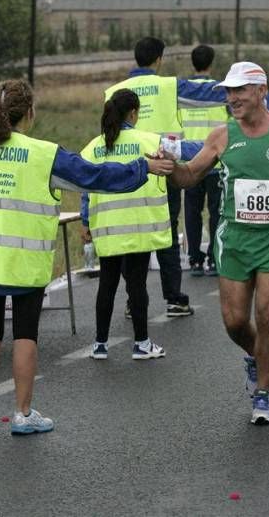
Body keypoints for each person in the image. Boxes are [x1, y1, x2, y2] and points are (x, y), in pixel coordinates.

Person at [0, 79, 173, 434]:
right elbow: (94, 177)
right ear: (30, 113)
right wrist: (141, 168)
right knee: (25, 334)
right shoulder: (43, 154)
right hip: (24, 262)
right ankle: (23, 415)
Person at [159, 62, 269, 425]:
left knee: (268, 314)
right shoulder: (222, 135)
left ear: (261, 91)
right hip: (234, 238)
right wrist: (169, 167)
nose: (232, 97)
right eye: (228, 91)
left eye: (239, 90)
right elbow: (190, 176)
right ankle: (258, 356)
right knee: (235, 321)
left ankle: (264, 394)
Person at [105, 37, 269, 317]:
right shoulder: (171, 86)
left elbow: (107, 132)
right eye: (230, 91)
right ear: (159, 60)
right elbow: (216, 98)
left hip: (130, 172)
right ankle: (175, 296)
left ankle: (136, 300)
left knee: (133, 239)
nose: (231, 96)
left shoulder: (112, 91)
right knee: (169, 232)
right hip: (180, 162)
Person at [81, 89, 185, 361]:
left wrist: (85, 222)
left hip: (106, 228)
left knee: (107, 284)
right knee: (136, 285)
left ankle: (99, 345)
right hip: (138, 226)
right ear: (134, 113)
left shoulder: (93, 146)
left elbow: (84, 187)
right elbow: (179, 157)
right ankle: (141, 343)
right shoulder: (149, 141)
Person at [180, 44, 229, 277]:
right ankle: (214, 257)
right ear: (211, 63)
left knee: (192, 212)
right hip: (217, 163)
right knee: (217, 212)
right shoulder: (219, 92)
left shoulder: (182, 93)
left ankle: (194, 259)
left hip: (191, 164)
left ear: (193, 63)